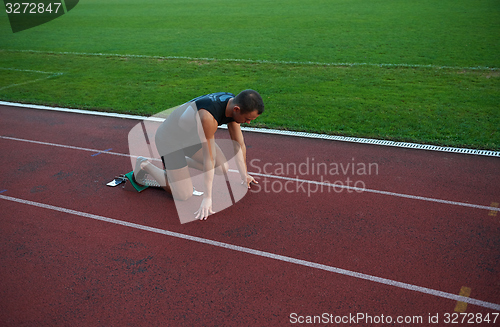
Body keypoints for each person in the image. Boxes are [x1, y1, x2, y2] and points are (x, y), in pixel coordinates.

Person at [134, 90, 264, 220]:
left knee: (222, 168)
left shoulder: (233, 104)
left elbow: (239, 144)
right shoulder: (207, 117)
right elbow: (209, 158)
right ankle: (144, 164)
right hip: (170, 139)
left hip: (192, 137)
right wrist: (207, 198)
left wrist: (244, 175)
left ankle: (180, 165)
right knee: (183, 194)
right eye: (247, 119)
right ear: (237, 109)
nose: (248, 122)